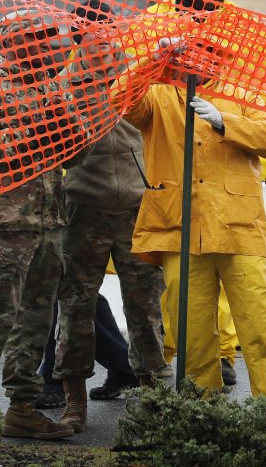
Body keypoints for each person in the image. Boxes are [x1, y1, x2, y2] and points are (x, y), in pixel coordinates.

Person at [125, 0, 266, 397]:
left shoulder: (248, 76)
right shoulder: (159, 83)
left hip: (237, 225)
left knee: (261, 327)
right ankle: (203, 421)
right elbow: (125, 104)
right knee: (191, 335)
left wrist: (225, 121)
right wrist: (152, 65)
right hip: (180, 224)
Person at [0, 9, 90, 442]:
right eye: (38, 38)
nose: (47, 46)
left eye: (49, 38)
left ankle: (23, 407)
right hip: (6, 223)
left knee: (37, 319)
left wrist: (67, 129)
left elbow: (77, 151)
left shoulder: (52, 86)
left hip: (49, 221)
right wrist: (36, 135)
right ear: (14, 42)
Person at [52, 116, 166, 432]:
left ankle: (153, 394)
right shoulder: (70, 85)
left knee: (145, 307)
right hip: (83, 208)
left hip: (137, 207)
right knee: (75, 308)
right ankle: (74, 399)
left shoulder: (140, 83)